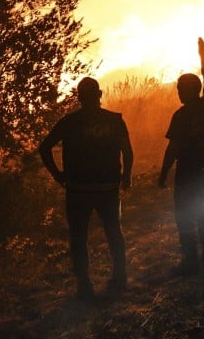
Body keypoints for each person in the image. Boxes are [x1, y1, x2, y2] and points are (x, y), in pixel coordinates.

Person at [39, 76, 133, 300]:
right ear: (99, 95)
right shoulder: (114, 120)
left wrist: (58, 176)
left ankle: (85, 285)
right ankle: (120, 278)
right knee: (114, 233)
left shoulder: (69, 122)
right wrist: (126, 176)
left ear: (79, 97)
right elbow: (127, 151)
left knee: (79, 237)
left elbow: (44, 148)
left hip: (78, 190)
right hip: (108, 188)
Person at [158, 37, 204, 276]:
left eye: (180, 89)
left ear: (188, 91)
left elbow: (172, 148)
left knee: (184, 218)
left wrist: (163, 174)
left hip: (187, 173)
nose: (178, 93)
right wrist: (202, 55)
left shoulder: (181, 116)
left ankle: (191, 261)